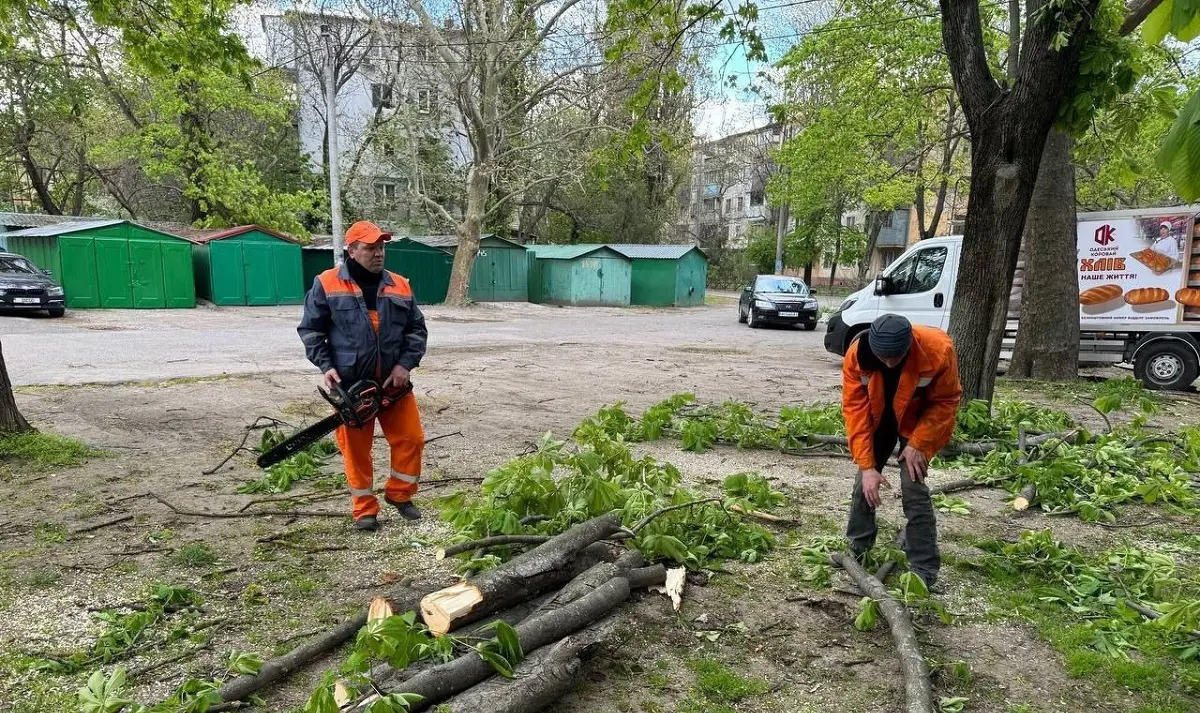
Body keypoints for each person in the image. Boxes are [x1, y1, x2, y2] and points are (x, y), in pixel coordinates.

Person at [298, 221, 428, 531]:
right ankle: (364, 509)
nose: (378, 253)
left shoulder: (400, 285)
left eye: (381, 247)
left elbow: (416, 330)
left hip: (393, 384)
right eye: (370, 248)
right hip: (351, 386)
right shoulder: (326, 283)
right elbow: (311, 330)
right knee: (355, 451)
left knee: (411, 438)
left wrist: (405, 365)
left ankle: (400, 494)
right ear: (352, 251)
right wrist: (326, 365)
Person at [842, 314, 961, 586]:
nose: (888, 363)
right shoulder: (858, 356)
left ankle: (924, 566)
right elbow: (854, 410)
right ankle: (857, 547)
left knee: (913, 485)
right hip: (878, 421)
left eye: (895, 357)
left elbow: (946, 400)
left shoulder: (938, 349)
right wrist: (867, 467)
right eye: (883, 357)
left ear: (908, 346)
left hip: (917, 423)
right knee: (864, 484)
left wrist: (919, 443)